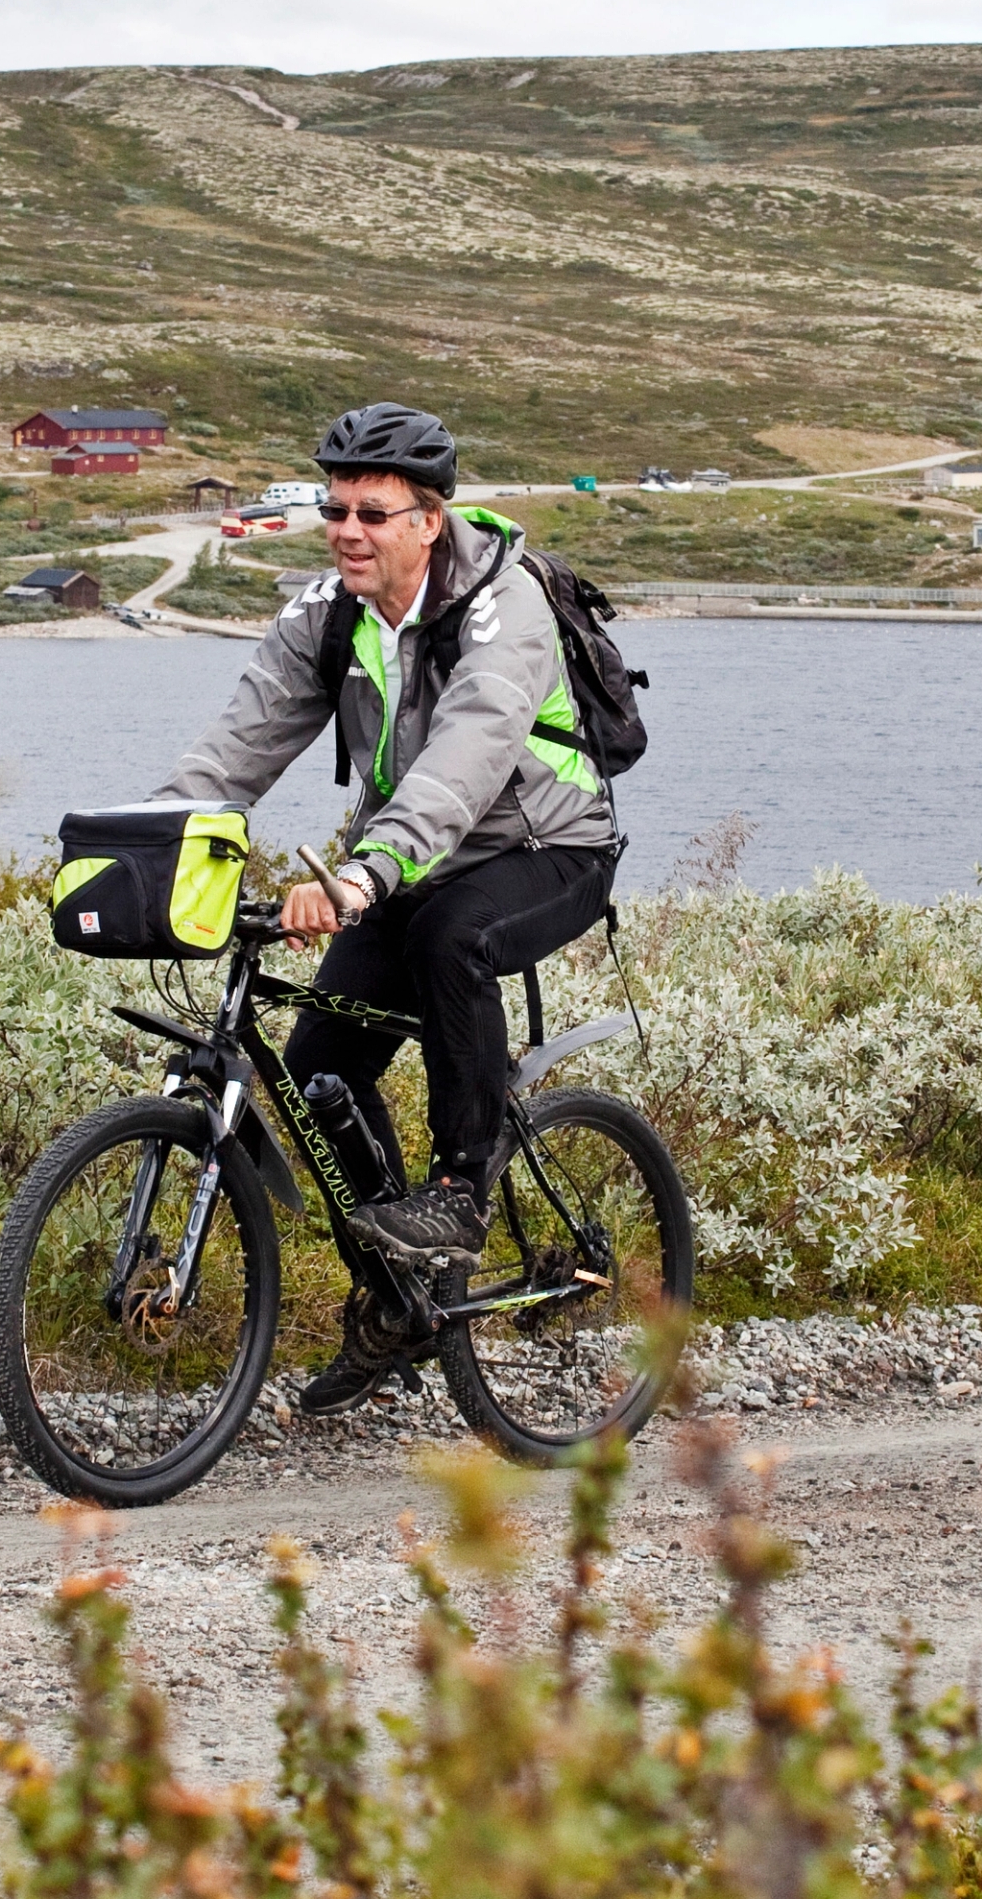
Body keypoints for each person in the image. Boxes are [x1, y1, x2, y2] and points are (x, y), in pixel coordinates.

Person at [154, 401, 620, 1416]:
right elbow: (236, 747)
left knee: (454, 938)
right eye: (335, 510)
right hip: (409, 860)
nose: (348, 530)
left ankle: (459, 1193)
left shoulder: (507, 609)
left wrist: (366, 875)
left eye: (373, 512)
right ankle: (397, 1305)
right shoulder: (327, 613)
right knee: (318, 1069)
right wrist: (152, 843)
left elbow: (467, 756)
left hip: (546, 849)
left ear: (430, 521)